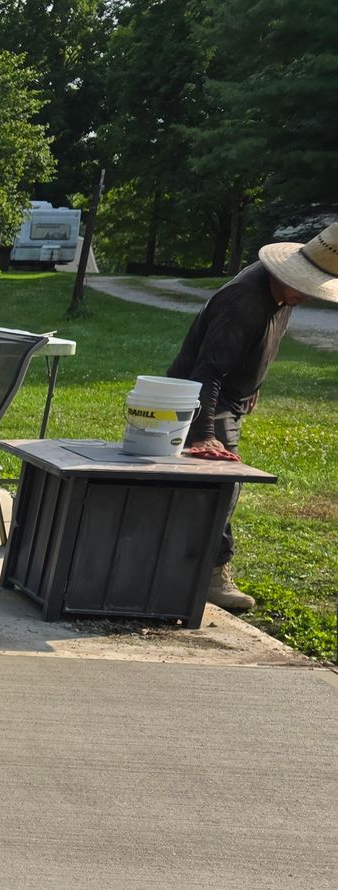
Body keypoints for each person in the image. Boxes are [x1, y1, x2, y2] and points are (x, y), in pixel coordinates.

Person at [165, 220, 338, 612]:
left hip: (229, 397)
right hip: (203, 398)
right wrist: (205, 433)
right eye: (306, 286)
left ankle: (188, 567)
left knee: (214, 488)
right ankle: (211, 575)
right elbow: (207, 371)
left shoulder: (283, 293)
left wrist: (252, 385)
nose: (307, 295)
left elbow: (253, 345)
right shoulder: (244, 300)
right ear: (287, 272)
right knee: (222, 483)